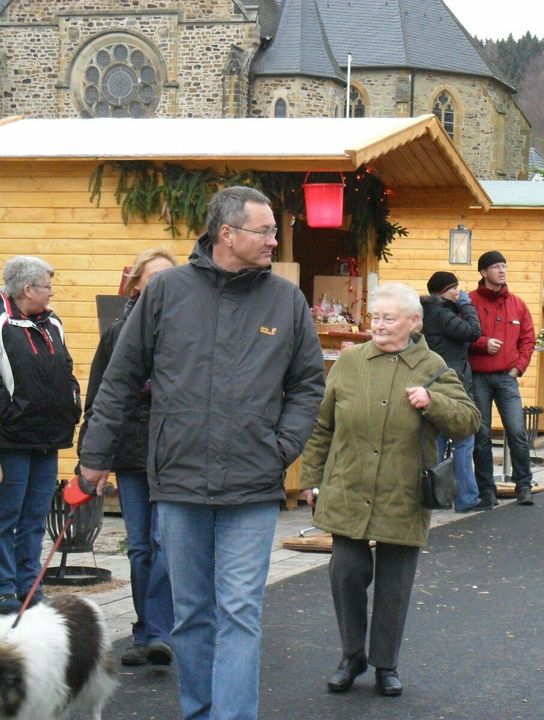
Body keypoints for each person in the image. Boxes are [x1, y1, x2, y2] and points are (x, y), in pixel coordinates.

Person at [79, 186, 326, 720]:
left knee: (239, 612)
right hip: (180, 481)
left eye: (273, 231)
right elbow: (120, 381)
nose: (273, 240)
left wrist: (280, 447)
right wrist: (94, 458)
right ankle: (200, 710)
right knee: (191, 614)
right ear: (227, 234)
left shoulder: (286, 300)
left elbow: (309, 383)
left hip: (253, 484)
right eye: (264, 231)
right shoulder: (165, 292)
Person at [301, 283, 479, 697]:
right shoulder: (350, 362)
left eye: (389, 318)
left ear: (414, 323)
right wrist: (313, 477)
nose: (378, 325)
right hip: (349, 484)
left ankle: (386, 664)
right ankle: (351, 655)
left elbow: (469, 420)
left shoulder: (431, 365)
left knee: (394, 584)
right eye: (375, 317)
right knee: (345, 572)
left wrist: (432, 401)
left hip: (404, 490)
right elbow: (322, 425)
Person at [76, 248, 177, 666]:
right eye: (153, 278)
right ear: (136, 284)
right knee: (139, 546)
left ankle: (160, 632)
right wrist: (90, 455)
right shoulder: (118, 332)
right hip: (133, 452)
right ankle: (145, 631)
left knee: (163, 542)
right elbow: (100, 395)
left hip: (174, 453)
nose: (161, 286)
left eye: (169, 278)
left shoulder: (186, 330)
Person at [0, 256, 81, 615]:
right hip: (11, 440)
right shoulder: (2, 323)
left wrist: (72, 404)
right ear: (27, 289)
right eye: (47, 285)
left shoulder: (54, 322)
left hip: (49, 438)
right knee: (7, 516)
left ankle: (29, 586)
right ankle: (4, 590)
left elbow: (66, 368)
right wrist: (10, 415)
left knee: (34, 517)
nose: (51, 292)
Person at [469, 251, 536, 507]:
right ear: (484, 272)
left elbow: (528, 338)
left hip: (507, 377)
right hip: (479, 377)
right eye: (496, 267)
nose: (501, 271)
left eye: (504, 266)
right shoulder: (470, 302)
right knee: (481, 434)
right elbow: (463, 334)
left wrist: (519, 367)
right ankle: (486, 490)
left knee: (518, 432)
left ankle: (524, 486)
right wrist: (482, 344)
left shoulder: (517, 304)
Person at [421, 271, 483, 512]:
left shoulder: (428, 312)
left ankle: (434, 496)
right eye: (454, 288)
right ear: (444, 291)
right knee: (463, 437)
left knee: (436, 439)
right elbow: (472, 331)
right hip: (450, 381)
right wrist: (466, 305)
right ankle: (466, 498)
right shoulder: (441, 313)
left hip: (435, 380)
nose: (458, 292)